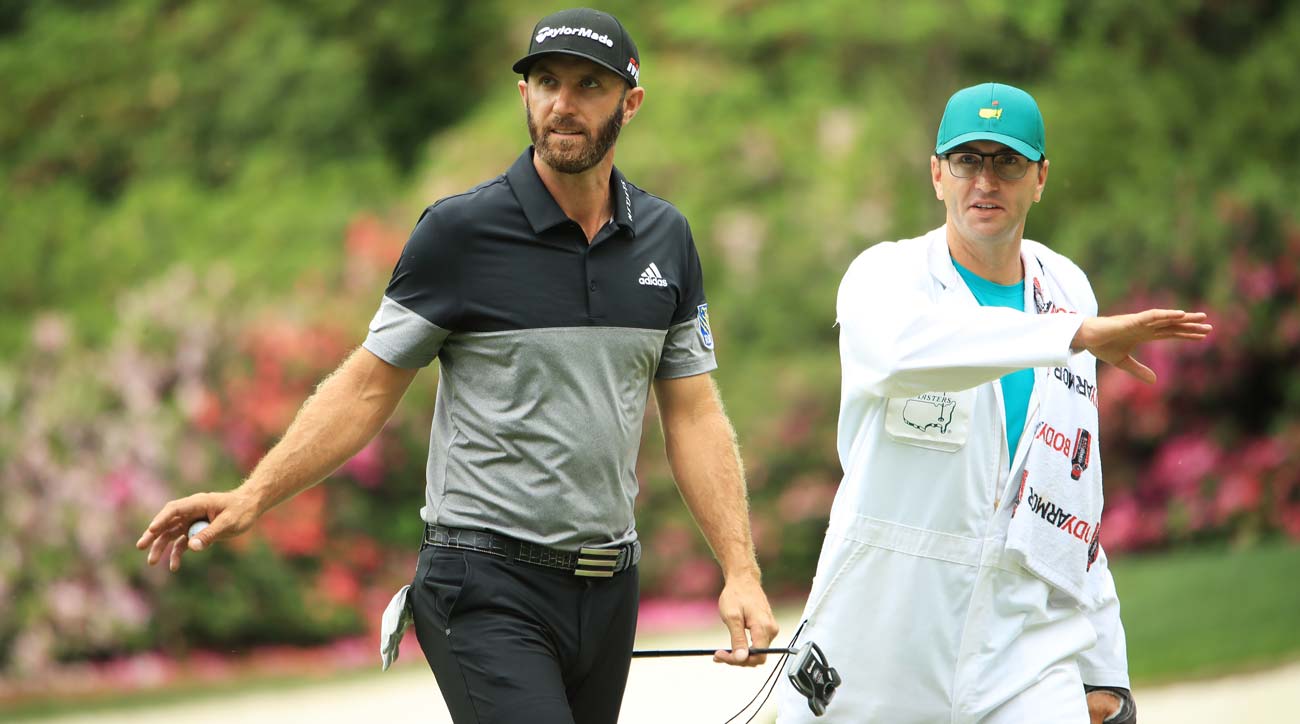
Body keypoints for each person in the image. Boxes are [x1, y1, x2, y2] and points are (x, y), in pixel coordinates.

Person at [136, 8, 779, 723]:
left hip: (609, 589)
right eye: (547, 82)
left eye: (589, 86)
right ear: (524, 94)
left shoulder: (666, 237)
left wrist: (740, 570)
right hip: (484, 583)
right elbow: (366, 387)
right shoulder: (460, 233)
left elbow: (693, 415)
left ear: (630, 104)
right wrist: (254, 495)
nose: (563, 104)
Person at [775, 83, 1211, 723]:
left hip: (1023, 652)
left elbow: (1073, 490)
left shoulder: (1067, 288)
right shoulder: (886, 275)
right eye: (966, 161)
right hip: (878, 642)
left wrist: (1105, 671)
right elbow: (899, 352)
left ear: (1040, 178)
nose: (985, 180)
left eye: (1007, 161)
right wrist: (1071, 334)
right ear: (937, 175)